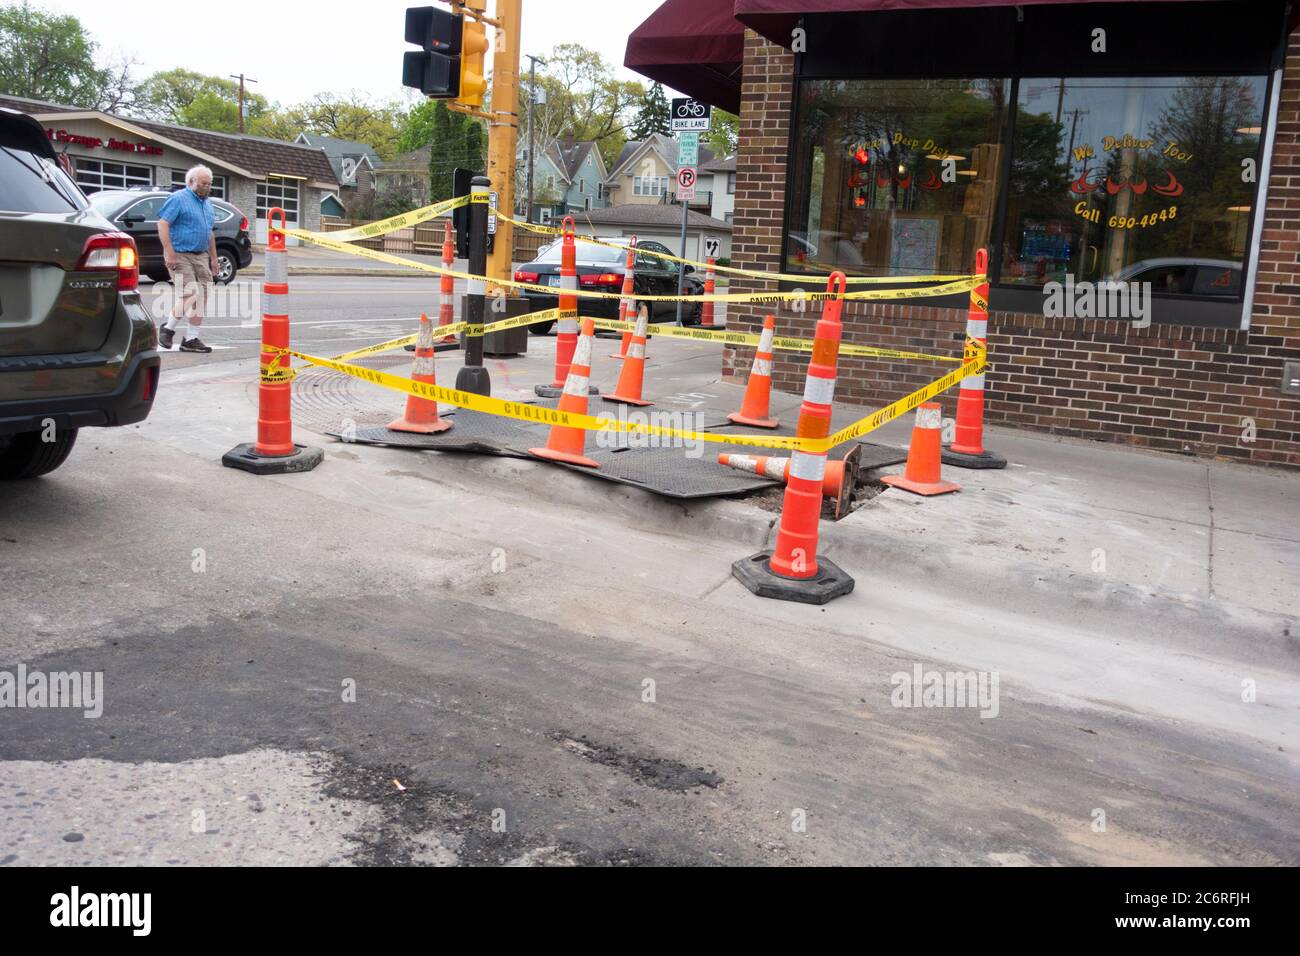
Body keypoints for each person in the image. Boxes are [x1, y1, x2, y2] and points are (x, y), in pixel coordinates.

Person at [156, 165, 217, 352]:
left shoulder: (207, 204)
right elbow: (163, 223)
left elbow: (209, 233)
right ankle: (167, 329)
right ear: (191, 182)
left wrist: (214, 259)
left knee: (202, 297)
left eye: (209, 184)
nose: (207, 187)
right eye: (204, 184)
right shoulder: (178, 199)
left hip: (201, 256)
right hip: (180, 254)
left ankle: (191, 339)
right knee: (190, 294)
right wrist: (169, 252)